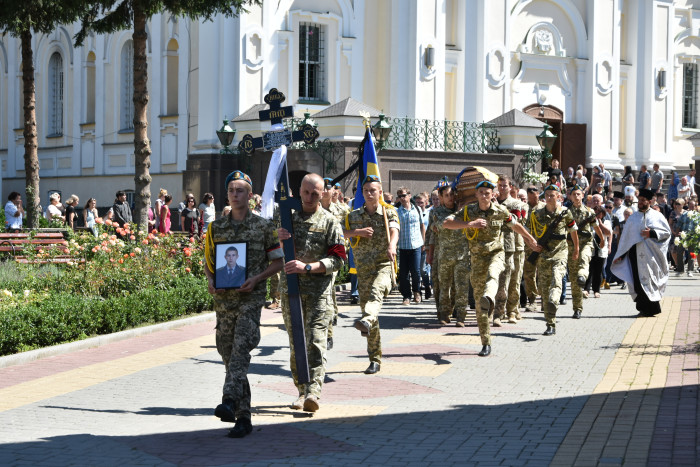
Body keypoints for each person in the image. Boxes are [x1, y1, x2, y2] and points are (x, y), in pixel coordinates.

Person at [204, 170, 284, 438]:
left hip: (250, 299)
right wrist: (211, 280)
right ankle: (243, 417)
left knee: (240, 350)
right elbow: (208, 263)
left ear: (250, 196)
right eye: (231, 190)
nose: (234, 194)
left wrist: (257, 278)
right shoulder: (216, 227)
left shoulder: (263, 227)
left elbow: (278, 261)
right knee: (230, 357)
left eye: (240, 190)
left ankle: (228, 399)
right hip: (224, 302)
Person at [443, 180, 538, 355]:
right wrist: (469, 224)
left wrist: (529, 238)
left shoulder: (500, 211)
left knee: (494, 274)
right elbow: (447, 223)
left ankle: (489, 295)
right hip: (478, 260)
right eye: (482, 193)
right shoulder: (469, 211)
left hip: (496, 253)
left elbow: (515, 225)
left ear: (492, 195)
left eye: (488, 193)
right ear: (477, 195)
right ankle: (486, 342)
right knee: (481, 307)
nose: (485, 196)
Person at [277, 173, 345, 413]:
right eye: (305, 192)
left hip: (318, 293)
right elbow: (269, 250)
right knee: (297, 345)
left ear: (322, 194)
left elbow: (339, 259)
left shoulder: (330, 221)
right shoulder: (287, 218)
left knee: (315, 342)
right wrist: (277, 239)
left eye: (314, 193)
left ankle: (314, 392)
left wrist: (309, 267)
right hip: (291, 292)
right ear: (298, 192)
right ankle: (301, 391)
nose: (309, 197)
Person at [344, 175, 399, 374]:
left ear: (380, 193)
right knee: (370, 316)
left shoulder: (388, 212)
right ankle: (374, 358)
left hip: (384, 264)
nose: (369, 194)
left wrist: (392, 245)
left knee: (376, 294)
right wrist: (357, 232)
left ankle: (367, 319)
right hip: (363, 270)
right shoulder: (354, 215)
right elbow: (341, 232)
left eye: (373, 190)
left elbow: (394, 230)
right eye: (366, 191)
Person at [528, 185, 579, 335]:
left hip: (560, 253)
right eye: (547, 195)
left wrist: (576, 248)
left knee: (557, 279)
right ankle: (550, 324)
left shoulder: (565, 213)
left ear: (558, 197)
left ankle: (554, 300)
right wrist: (532, 245)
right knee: (544, 289)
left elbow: (573, 230)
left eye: (553, 195)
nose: (550, 198)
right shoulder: (536, 214)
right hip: (543, 255)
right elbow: (528, 232)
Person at [612, 189, 671, 317]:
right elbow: (625, 238)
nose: (640, 203)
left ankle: (653, 308)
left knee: (652, 279)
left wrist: (652, 233)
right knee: (638, 282)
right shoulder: (633, 218)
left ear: (649, 202)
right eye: (639, 201)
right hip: (635, 255)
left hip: (652, 255)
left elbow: (666, 233)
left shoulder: (657, 216)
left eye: (643, 201)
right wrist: (620, 255)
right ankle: (643, 308)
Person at [427, 183, 470, 326]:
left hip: (462, 254)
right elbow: (436, 229)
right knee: (443, 287)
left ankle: (461, 316)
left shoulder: (465, 211)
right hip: (444, 254)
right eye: (447, 195)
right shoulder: (436, 212)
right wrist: (430, 252)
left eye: (452, 194)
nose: (450, 198)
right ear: (441, 197)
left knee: (461, 286)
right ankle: (444, 314)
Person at [567, 186, 605, 319]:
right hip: (571, 246)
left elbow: (596, 226)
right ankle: (577, 308)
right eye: (574, 194)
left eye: (578, 194)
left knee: (584, 258)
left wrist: (602, 239)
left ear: (582, 195)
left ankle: (583, 275)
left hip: (586, 243)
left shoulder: (589, 212)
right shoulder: (566, 213)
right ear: (570, 197)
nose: (576, 196)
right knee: (573, 280)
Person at [493, 175, 526, 326]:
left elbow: (514, 221)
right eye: (499, 185)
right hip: (493, 245)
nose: (501, 188)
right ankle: (497, 312)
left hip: (509, 245)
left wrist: (497, 208)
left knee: (513, 281)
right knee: (497, 281)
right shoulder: (491, 203)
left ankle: (512, 310)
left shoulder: (515, 204)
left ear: (510, 187)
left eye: (504, 185)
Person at [395, 186, 425, 305]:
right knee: (403, 274)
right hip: (403, 246)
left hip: (416, 245)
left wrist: (424, 242)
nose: (402, 198)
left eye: (403, 195)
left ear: (409, 195)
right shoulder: (397, 211)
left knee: (416, 271)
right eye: (399, 196)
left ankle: (417, 292)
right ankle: (406, 296)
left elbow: (422, 226)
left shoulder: (417, 209)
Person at [523, 186, 544, 311]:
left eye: (534, 196)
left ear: (538, 194)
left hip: (542, 245)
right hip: (528, 246)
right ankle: (532, 300)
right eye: (529, 197)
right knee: (528, 274)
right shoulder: (524, 207)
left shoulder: (544, 207)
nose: (532, 199)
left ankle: (543, 300)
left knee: (542, 273)